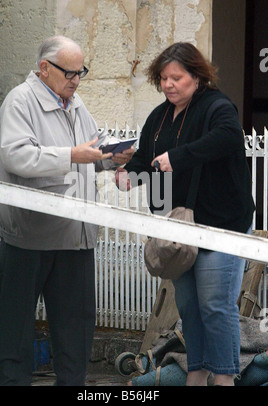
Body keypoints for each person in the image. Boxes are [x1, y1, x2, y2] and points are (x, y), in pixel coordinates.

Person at [0, 35, 134, 386]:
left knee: (75, 333)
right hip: (30, 238)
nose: (76, 79)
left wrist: (113, 155)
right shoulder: (20, 101)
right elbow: (17, 156)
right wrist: (71, 154)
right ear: (44, 68)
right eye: (70, 72)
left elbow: (92, 147)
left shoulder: (76, 102)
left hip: (77, 237)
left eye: (81, 71)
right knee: (15, 333)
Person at [115, 42, 255, 386]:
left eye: (176, 78)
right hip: (178, 228)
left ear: (196, 76)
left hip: (221, 224)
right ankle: (197, 371)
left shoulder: (217, 106)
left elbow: (226, 138)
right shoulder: (160, 115)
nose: (168, 85)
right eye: (163, 78)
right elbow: (143, 157)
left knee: (215, 306)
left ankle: (223, 378)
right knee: (189, 307)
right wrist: (126, 176)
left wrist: (177, 157)